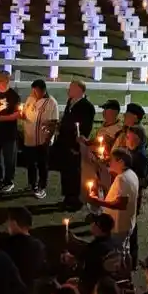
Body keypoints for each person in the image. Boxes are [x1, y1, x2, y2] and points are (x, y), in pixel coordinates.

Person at [89, 149, 140, 259]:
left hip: (118, 225)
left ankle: (120, 273)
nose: (109, 163)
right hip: (127, 224)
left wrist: (97, 201)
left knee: (116, 255)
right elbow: (118, 195)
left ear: (121, 162)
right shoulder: (131, 174)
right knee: (124, 250)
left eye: (112, 160)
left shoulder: (123, 179)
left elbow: (121, 204)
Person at [57, 78, 96, 209]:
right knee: (66, 171)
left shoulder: (87, 107)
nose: (68, 90)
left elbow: (85, 129)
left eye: (71, 88)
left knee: (75, 173)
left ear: (79, 90)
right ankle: (67, 196)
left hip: (75, 146)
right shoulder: (70, 102)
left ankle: (75, 200)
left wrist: (77, 146)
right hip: (64, 144)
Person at [19, 78, 59, 198]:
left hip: (42, 140)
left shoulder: (51, 103)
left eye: (36, 91)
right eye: (33, 91)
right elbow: (24, 113)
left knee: (42, 164)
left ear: (43, 90)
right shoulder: (30, 99)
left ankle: (42, 186)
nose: (34, 93)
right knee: (31, 163)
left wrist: (48, 139)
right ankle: (32, 184)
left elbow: (54, 122)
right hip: (29, 138)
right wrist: (22, 115)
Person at [0, 207, 47, 289]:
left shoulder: (3, 244)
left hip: (9, 292)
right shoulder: (38, 245)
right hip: (30, 292)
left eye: (8, 221)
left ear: (14, 223)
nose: (6, 224)